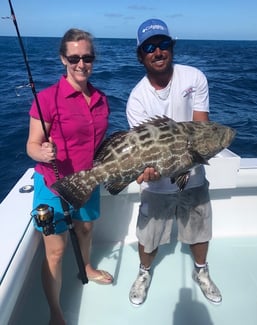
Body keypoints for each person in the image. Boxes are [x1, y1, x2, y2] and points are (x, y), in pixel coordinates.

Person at [126, 18, 222, 306]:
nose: (158, 51)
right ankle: (144, 273)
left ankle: (201, 272)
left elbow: (202, 132)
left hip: (193, 177)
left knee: (200, 229)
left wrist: (189, 160)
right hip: (157, 185)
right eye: (150, 47)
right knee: (149, 235)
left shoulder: (194, 78)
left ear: (172, 47)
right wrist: (150, 172)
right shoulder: (137, 99)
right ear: (141, 55)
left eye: (163, 44)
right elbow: (144, 154)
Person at [26, 28, 113, 325]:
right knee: (56, 251)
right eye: (74, 57)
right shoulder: (47, 98)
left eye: (87, 57)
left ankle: (86, 267)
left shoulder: (101, 99)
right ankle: (55, 311)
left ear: (93, 59)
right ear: (63, 58)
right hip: (53, 184)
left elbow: (101, 146)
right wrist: (42, 153)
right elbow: (31, 146)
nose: (81, 63)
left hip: (88, 181)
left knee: (86, 229)